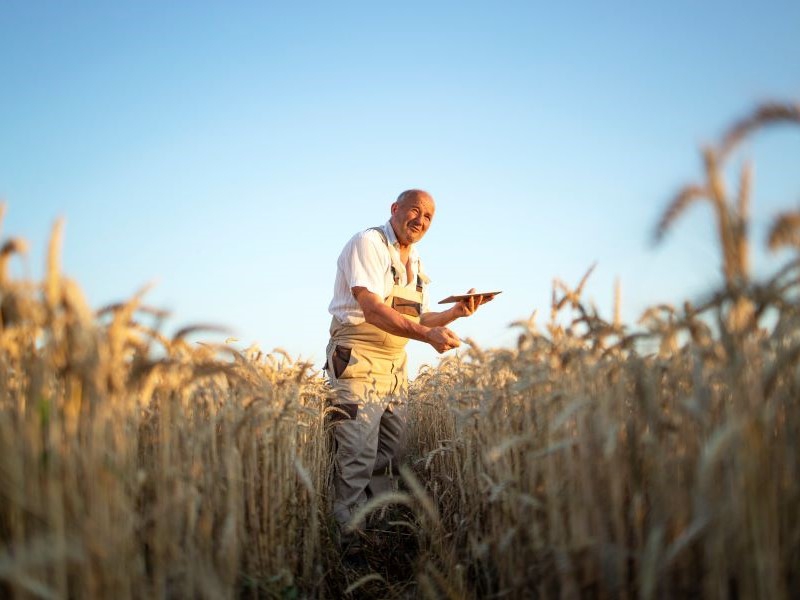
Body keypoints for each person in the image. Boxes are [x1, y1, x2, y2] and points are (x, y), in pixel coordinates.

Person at [325, 189, 494, 558]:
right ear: (395, 209)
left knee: (390, 455)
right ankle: (349, 553)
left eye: (429, 217)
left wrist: (455, 314)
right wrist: (426, 335)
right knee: (356, 456)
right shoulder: (369, 243)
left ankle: (379, 541)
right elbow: (370, 308)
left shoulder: (415, 261)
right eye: (414, 210)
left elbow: (419, 318)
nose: (421, 220)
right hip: (357, 360)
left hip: (395, 367)